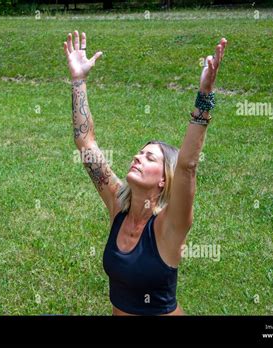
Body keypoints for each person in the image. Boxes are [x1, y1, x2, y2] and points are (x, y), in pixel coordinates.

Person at [63, 30, 227, 315]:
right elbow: (85, 142)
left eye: (149, 157)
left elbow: (187, 166)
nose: (137, 157)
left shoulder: (169, 227)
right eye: (139, 152)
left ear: (164, 178)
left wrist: (205, 96)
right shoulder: (118, 205)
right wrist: (78, 80)